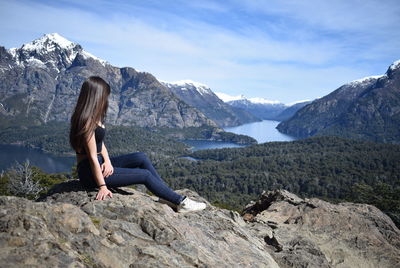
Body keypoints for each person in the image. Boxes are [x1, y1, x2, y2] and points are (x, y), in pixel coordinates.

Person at [69, 76, 206, 213]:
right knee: (144, 175)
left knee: (141, 157)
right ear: (96, 96)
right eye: (105, 96)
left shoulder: (95, 117)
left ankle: (166, 196)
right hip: (90, 173)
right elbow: (92, 157)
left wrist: (108, 161)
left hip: (99, 164)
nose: (106, 100)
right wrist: (102, 186)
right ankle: (181, 202)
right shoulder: (86, 122)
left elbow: (100, 143)